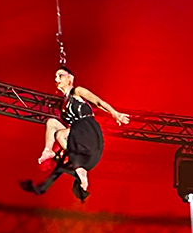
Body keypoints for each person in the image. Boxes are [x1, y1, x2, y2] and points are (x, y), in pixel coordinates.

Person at [21, 66, 129, 201]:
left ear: (70, 78)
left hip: (88, 129)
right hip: (77, 132)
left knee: (60, 135)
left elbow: (99, 102)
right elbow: (68, 130)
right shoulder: (63, 104)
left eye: (60, 76)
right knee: (51, 122)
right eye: (55, 77)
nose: (56, 80)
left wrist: (115, 114)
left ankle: (77, 165)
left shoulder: (77, 91)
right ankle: (48, 150)